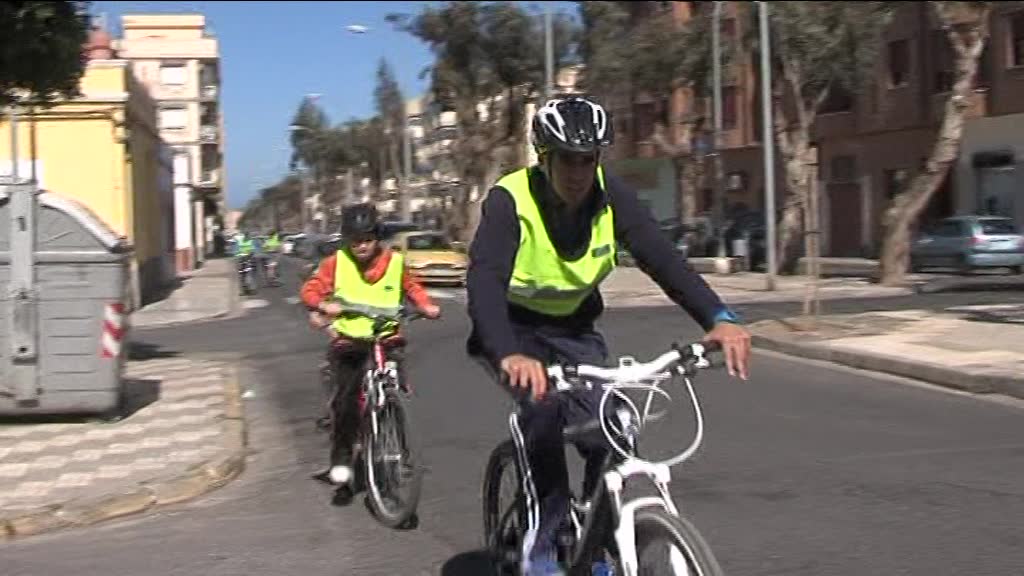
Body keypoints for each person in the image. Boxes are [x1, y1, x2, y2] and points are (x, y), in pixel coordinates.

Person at [467, 96, 752, 576]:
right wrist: (509, 353)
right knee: (543, 411)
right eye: (567, 159)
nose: (579, 171)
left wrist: (718, 317)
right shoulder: (510, 199)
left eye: (589, 159)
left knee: (614, 423)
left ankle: (596, 542)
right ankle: (540, 546)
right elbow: (485, 280)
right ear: (544, 158)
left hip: (574, 331)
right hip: (514, 331)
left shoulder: (611, 195)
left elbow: (662, 257)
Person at [300, 203, 442, 505]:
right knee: (347, 401)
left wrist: (426, 305)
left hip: (387, 337)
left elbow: (412, 287)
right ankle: (341, 465)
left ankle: (399, 442)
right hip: (350, 340)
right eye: (355, 241)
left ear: (377, 238)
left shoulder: (395, 262)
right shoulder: (335, 263)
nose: (362, 246)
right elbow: (311, 290)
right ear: (347, 240)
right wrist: (323, 305)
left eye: (367, 239)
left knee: (399, 387)